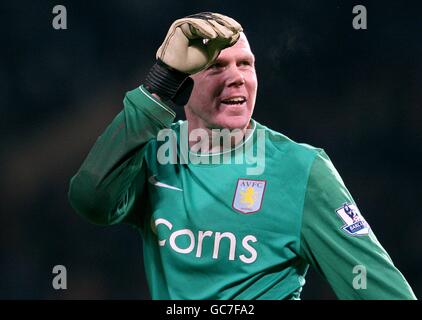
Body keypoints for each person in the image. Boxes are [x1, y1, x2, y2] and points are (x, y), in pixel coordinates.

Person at [68, 12, 416, 300]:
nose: (236, 78)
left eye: (245, 64)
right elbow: (90, 200)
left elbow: (383, 293)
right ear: (182, 85)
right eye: (217, 67)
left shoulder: (301, 170)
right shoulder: (156, 154)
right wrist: (159, 83)